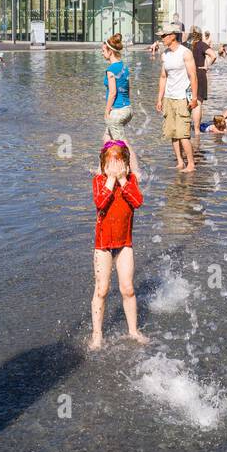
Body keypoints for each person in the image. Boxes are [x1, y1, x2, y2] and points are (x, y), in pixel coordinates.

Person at [90, 140, 147, 349]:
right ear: (103, 166)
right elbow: (100, 202)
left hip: (124, 243)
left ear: (127, 164)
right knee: (102, 289)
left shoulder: (130, 180)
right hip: (103, 245)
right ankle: (97, 334)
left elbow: (137, 201)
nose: (114, 168)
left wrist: (122, 179)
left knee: (128, 288)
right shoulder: (99, 181)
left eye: (119, 163)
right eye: (110, 165)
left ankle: (133, 330)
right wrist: (111, 179)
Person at [155, 28, 198, 171]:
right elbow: (163, 77)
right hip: (169, 97)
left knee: (183, 133)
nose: (162, 38)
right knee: (172, 132)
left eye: (163, 36)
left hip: (181, 98)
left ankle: (191, 164)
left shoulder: (185, 53)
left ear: (172, 36)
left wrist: (195, 97)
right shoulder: (165, 55)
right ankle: (180, 162)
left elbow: (193, 76)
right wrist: (159, 99)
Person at [102, 33, 132, 143]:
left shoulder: (111, 69)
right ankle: (107, 160)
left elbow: (113, 92)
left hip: (117, 111)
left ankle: (132, 160)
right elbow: (129, 89)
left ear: (110, 52)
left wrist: (107, 110)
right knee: (107, 139)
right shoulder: (124, 67)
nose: (102, 53)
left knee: (122, 144)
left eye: (103, 51)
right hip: (127, 109)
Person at [189, 27, 216, 135]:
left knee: (188, 100)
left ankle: (186, 127)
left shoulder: (186, 45)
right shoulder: (201, 44)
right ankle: (196, 130)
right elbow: (213, 55)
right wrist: (207, 66)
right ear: (200, 35)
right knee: (198, 102)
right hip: (199, 73)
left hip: (187, 74)